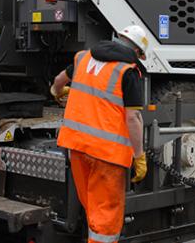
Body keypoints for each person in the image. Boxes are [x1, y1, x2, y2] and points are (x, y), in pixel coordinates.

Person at [52, 25, 150, 243]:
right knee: (105, 216)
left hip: (76, 147)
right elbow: (133, 119)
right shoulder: (128, 71)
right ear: (137, 52)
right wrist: (139, 156)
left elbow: (59, 80)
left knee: (91, 206)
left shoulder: (83, 57)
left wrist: (57, 93)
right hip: (107, 155)